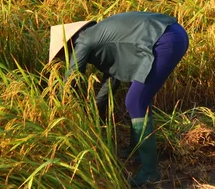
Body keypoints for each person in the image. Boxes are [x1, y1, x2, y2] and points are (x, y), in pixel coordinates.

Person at [48, 11, 189, 186]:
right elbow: (113, 78)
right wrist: (95, 112)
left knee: (134, 101)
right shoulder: (99, 35)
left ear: (68, 43)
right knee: (139, 98)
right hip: (174, 33)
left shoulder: (83, 41)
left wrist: (58, 113)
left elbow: (70, 81)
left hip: (165, 39)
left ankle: (150, 173)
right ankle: (136, 150)